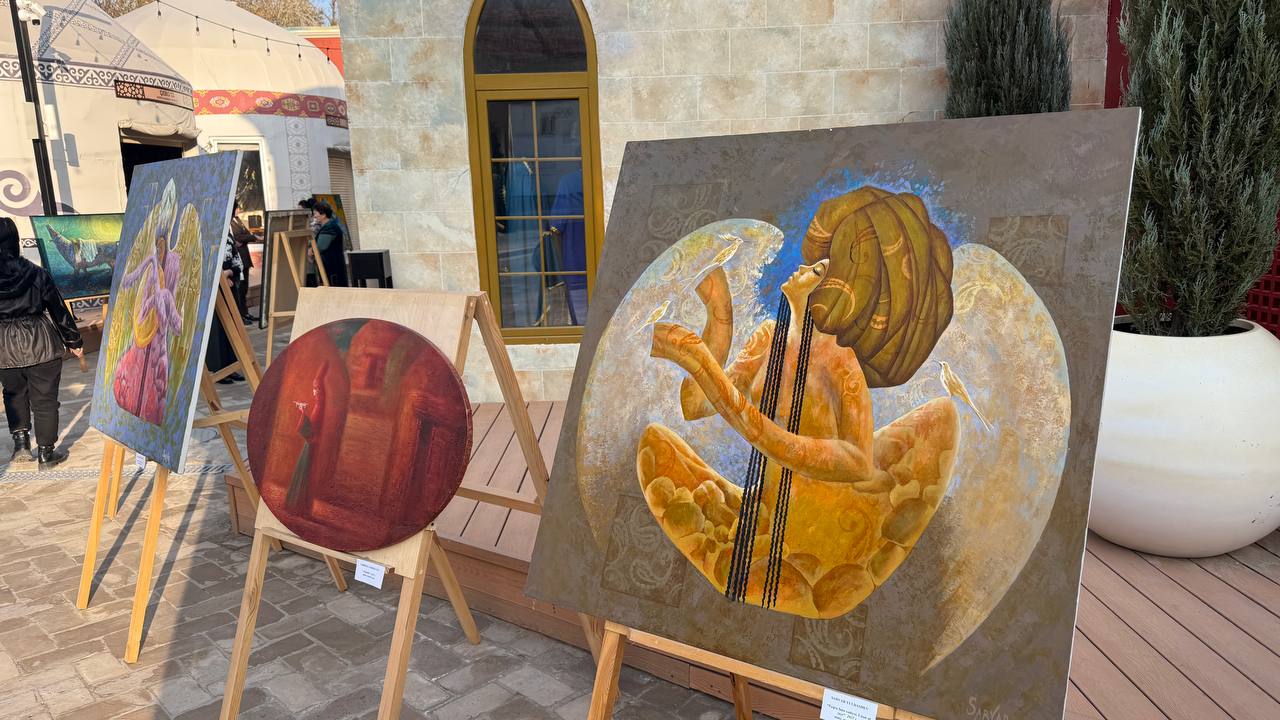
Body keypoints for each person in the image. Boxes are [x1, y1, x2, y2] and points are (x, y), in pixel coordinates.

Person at [0, 217, 83, 467]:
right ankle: (46, 454)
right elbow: (58, 309)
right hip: (41, 343)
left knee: (13, 394)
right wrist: (74, 340)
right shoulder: (37, 273)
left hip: (4, 348)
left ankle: (21, 445)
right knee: (45, 400)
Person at [228, 201, 256, 324]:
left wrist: (246, 238)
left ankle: (245, 312)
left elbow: (248, 235)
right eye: (237, 208)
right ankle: (240, 316)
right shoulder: (229, 222)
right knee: (239, 289)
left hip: (245, 258)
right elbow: (237, 238)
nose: (238, 210)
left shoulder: (238, 220)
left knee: (244, 288)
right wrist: (244, 238)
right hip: (237, 260)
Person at [310, 200, 348, 287]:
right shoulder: (329, 226)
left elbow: (320, 247)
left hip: (332, 268)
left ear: (323, 215)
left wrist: (311, 249)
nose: (314, 216)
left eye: (315, 213)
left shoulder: (330, 227)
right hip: (332, 267)